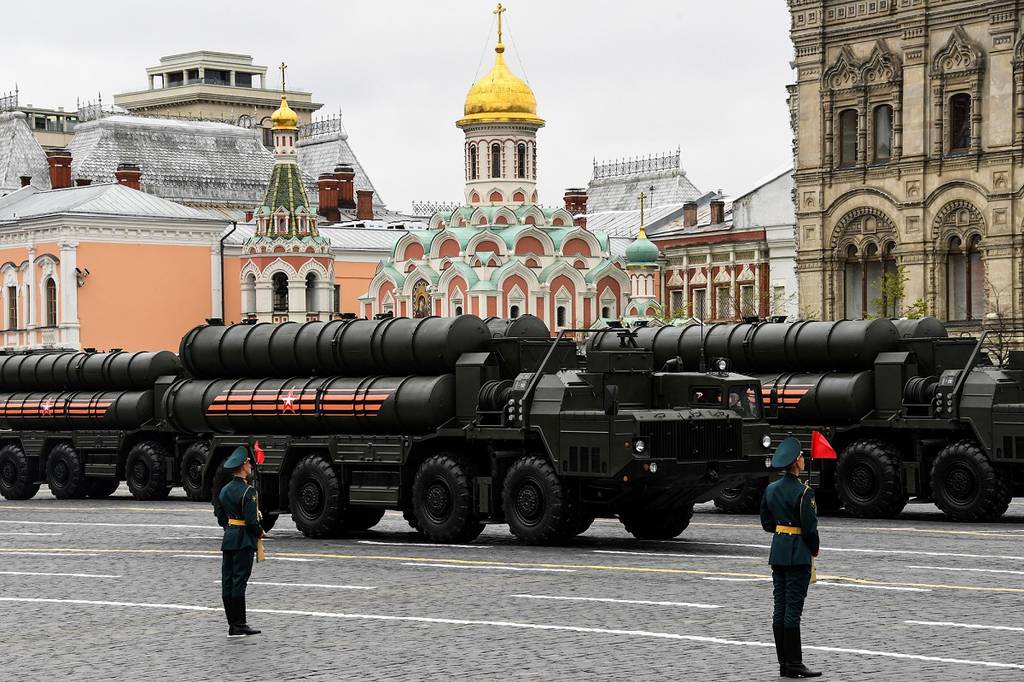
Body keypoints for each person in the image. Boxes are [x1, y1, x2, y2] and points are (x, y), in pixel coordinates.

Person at [760, 437, 821, 678]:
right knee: (793, 610)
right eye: (802, 456)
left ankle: (784, 663)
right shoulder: (804, 492)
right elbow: (810, 528)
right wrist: (814, 549)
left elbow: (767, 523)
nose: (804, 459)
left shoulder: (771, 489)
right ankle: (794, 663)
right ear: (796, 462)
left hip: (778, 552)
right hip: (798, 554)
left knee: (780, 607)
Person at [213, 446, 263, 638]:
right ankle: (239, 625)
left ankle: (232, 624)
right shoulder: (248, 491)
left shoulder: (225, 490)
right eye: (249, 462)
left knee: (228, 580)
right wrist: (260, 532)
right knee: (239, 581)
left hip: (229, 538)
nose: (250, 465)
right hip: (244, 540)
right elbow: (251, 522)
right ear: (243, 466)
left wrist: (231, 529)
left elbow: (221, 517)